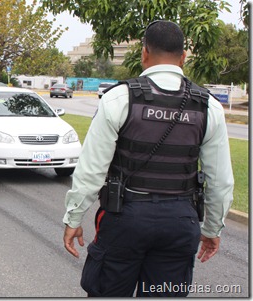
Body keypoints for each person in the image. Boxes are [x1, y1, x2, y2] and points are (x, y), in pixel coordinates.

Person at [62, 20, 234, 297]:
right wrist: (213, 228)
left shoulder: (119, 98)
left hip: (124, 220)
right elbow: (221, 181)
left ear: (144, 53)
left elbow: (91, 170)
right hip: (180, 223)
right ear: (183, 58)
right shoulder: (209, 106)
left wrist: (73, 219)